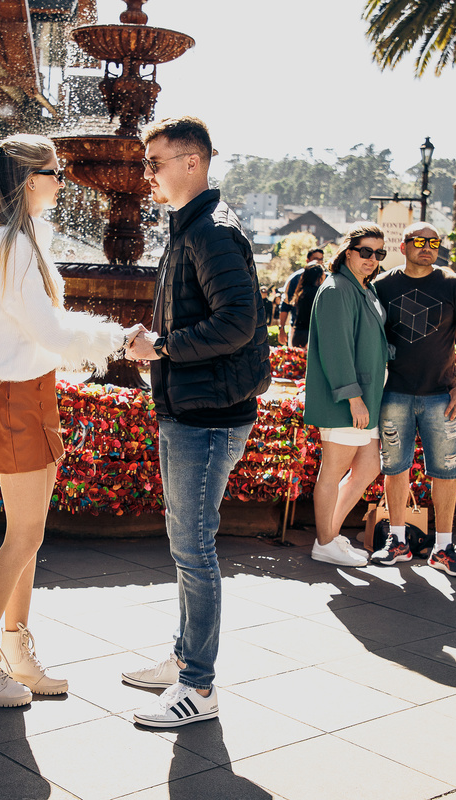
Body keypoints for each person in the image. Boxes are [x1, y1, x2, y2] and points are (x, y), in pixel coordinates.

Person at [0, 134, 135, 707]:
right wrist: (120, 339)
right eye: (56, 172)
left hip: (34, 394)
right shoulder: (9, 244)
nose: (63, 180)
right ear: (30, 179)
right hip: (17, 399)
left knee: (28, 539)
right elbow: (51, 332)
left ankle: (15, 652)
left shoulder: (21, 240)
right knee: (24, 537)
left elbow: (48, 330)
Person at [123, 116, 270, 728]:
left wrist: (160, 348)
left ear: (193, 162)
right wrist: (157, 348)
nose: (147, 175)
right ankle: (186, 660)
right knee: (188, 546)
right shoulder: (193, 226)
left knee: (193, 549)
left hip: (207, 418)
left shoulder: (209, 230)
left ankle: (200, 688)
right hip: (195, 408)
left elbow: (238, 321)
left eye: (155, 163)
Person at [370, 221, 456, 579]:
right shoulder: (382, 285)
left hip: (442, 396)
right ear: (403, 246)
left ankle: (443, 548)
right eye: (419, 241)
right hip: (394, 393)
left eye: (434, 241)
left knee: (446, 471)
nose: (427, 247)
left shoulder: (453, 284)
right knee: (394, 467)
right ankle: (397, 541)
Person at [303, 224, 389, 567]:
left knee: (368, 467)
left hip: (367, 397)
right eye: (366, 251)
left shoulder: (363, 289)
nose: (372, 259)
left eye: (379, 253)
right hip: (348, 400)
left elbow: (371, 341)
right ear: (349, 251)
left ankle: (330, 534)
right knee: (333, 470)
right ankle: (325, 542)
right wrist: (353, 397)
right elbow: (336, 349)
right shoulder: (337, 289)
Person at [277, 247, 324, 344]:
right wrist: (281, 329)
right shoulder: (295, 279)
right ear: (307, 261)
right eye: (316, 259)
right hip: (299, 330)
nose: (319, 262)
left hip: (319, 331)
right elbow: (285, 305)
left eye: (321, 259)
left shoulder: (327, 279)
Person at [289, 264, 324, 349]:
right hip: (309, 335)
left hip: (298, 333)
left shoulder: (302, 291)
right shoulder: (316, 293)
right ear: (318, 276)